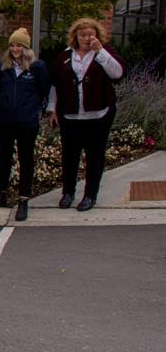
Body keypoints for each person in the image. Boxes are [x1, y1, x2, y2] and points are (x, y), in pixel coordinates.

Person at [47, 18, 126, 212]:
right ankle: (68, 193)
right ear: (75, 36)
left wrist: (100, 51)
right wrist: (52, 109)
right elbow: (55, 84)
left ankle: (90, 195)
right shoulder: (65, 55)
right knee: (70, 156)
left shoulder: (105, 52)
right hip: (71, 116)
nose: (86, 38)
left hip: (98, 115)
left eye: (90, 35)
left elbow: (117, 73)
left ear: (97, 36)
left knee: (95, 156)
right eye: (82, 35)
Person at [0, 28, 50, 221]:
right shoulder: (3, 67)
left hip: (27, 122)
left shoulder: (37, 67)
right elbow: (0, 88)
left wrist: (32, 110)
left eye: (19, 45)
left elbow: (44, 91)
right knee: (4, 157)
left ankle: (23, 199)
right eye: (12, 45)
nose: (15, 49)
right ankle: (1, 192)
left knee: (26, 159)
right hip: (5, 120)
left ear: (26, 48)